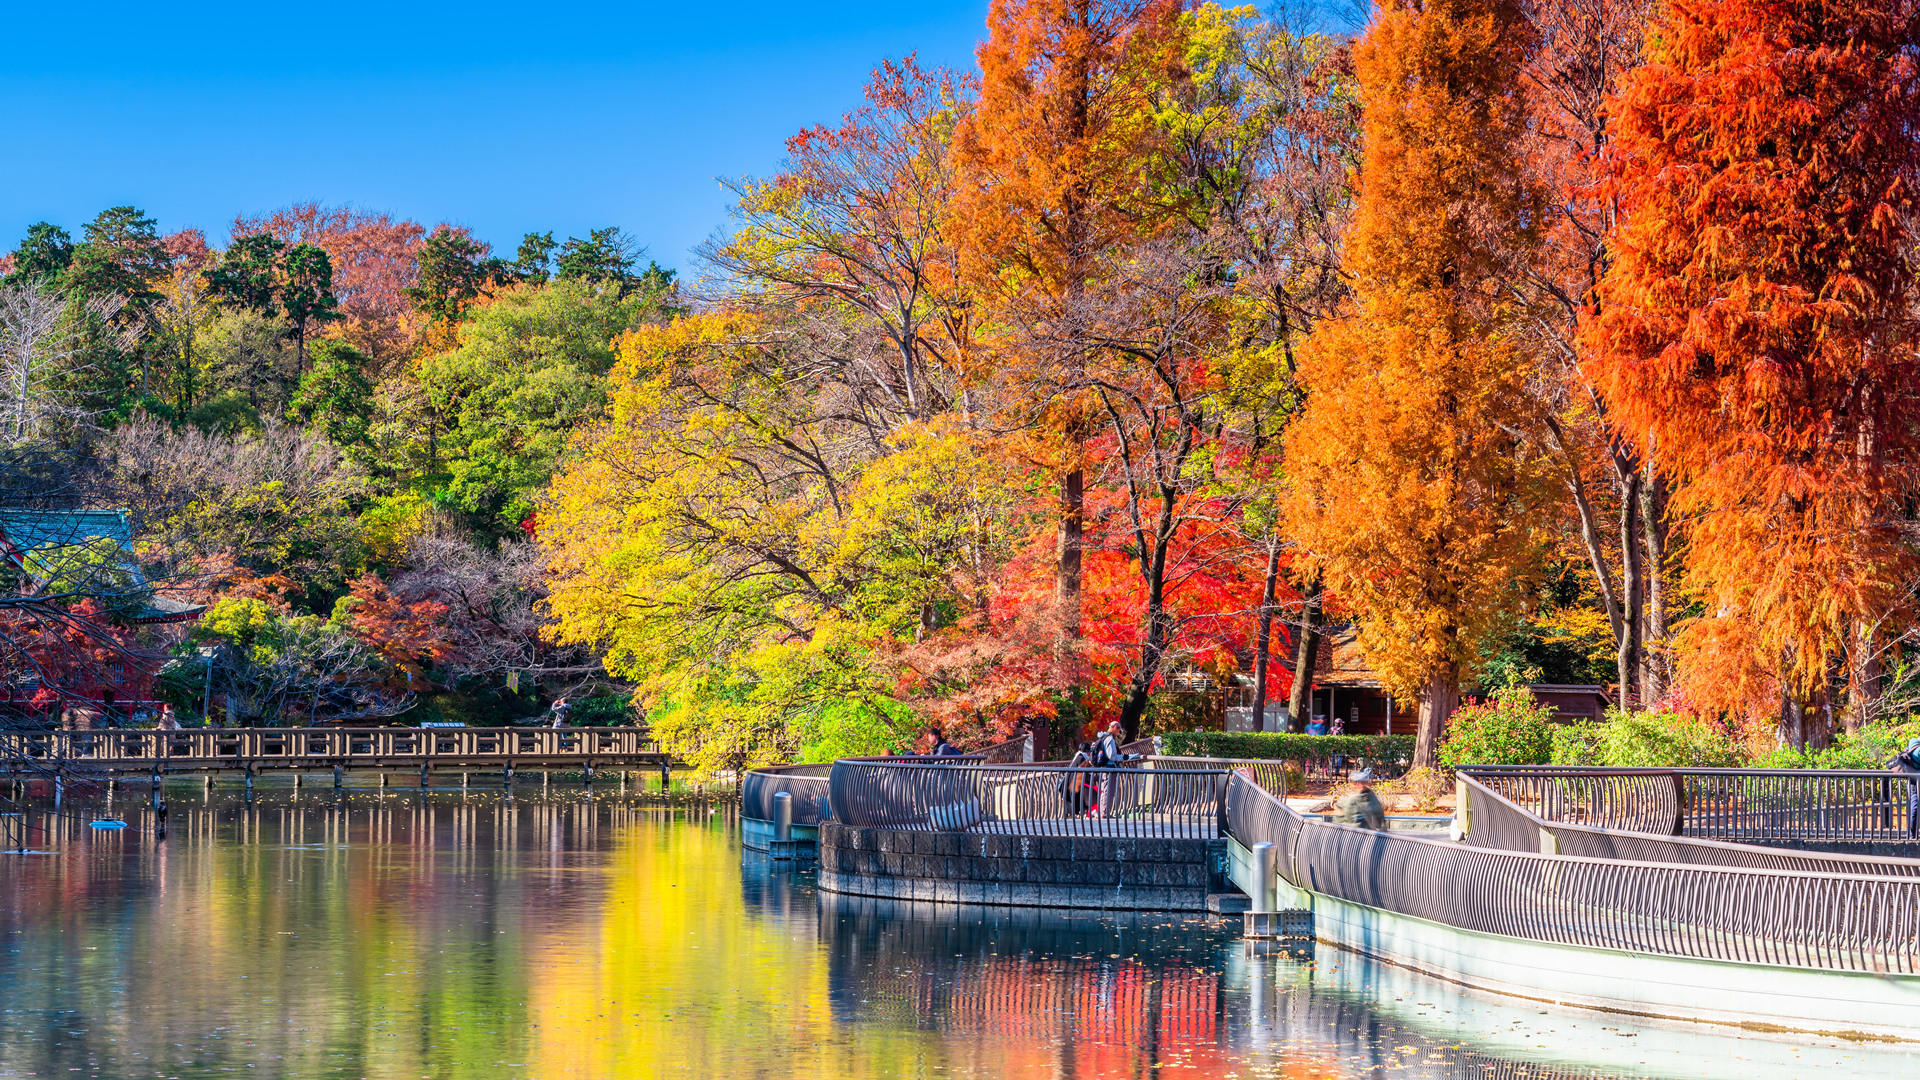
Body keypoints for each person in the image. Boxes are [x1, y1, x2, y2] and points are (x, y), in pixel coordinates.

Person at [1890, 737, 1920, 837]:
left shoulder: (1911, 743)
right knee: (1915, 807)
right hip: (1917, 782)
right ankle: (1912, 836)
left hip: (1912, 781)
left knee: (1913, 806)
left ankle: (1912, 835)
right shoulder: (1919, 750)